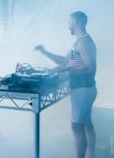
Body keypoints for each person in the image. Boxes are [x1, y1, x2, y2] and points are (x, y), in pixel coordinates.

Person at [35, 11, 97, 158]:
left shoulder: (84, 42)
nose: (67, 26)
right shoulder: (79, 41)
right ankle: (91, 155)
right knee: (86, 122)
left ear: (76, 22)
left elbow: (89, 66)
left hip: (83, 90)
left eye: (69, 22)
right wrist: (45, 53)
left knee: (77, 127)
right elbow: (65, 61)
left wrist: (65, 68)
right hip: (85, 89)